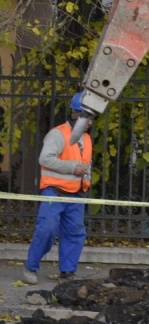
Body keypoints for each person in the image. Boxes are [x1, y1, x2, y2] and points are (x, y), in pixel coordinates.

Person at [23, 92, 93, 285]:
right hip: (54, 191)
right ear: (77, 115)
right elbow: (45, 159)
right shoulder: (58, 133)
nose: (90, 122)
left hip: (76, 195)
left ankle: (67, 272)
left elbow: (87, 164)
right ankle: (31, 267)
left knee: (74, 233)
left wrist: (85, 180)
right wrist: (73, 168)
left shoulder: (86, 139)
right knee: (46, 230)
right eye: (88, 117)